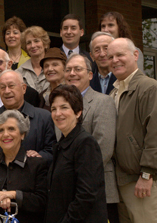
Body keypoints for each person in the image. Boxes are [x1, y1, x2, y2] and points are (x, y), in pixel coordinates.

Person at [108, 38, 157, 223]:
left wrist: (147, 174)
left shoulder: (150, 88)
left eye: (120, 54)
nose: (115, 60)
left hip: (146, 180)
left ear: (135, 55)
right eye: (111, 56)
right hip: (124, 180)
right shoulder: (114, 92)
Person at [65, 53, 119, 222]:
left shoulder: (103, 102)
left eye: (77, 69)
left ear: (90, 75)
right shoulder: (60, 107)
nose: (72, 73)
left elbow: (104, 147)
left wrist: (75, 174)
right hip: (70, 190)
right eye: (68, 70)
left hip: (97, 187)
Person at [0, 110, 47, 223]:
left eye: (11, 129)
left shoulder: (37, 164)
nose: (5, 134)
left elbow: (42, 202)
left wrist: (13, 195)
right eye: (0, 130)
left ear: (22, 134)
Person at [46, 84, 107, 223]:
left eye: (64, 107)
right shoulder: (62, 143)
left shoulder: (86, 143)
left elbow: (86, 195)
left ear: (78, 112)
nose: (57, 113)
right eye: (53, 109)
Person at [0, 70, 55, 164]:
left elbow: (52, 150)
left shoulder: (44, 117)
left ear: (24, 88)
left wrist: (39, 156)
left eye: (11, 86)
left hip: (34, 175)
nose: (7, 91)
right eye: (2, 88)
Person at [16, 26, 50, 93]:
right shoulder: (19, 72)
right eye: (29, 43)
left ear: (45, 44)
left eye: (36, 41)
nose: (33, 46)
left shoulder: (55, 68)